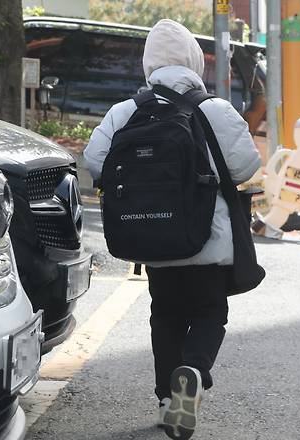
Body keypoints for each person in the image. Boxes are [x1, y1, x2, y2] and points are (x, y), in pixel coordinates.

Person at [84, 19, 261, 440]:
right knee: (209, 311)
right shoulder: (214, 109)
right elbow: (246, 166)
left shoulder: (124, 112)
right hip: (208, 241)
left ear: (148, 65)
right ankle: (193, 372)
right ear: (194, 63)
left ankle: (167, 399)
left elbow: (95, 162)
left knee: (164, 315)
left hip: (153, 242)